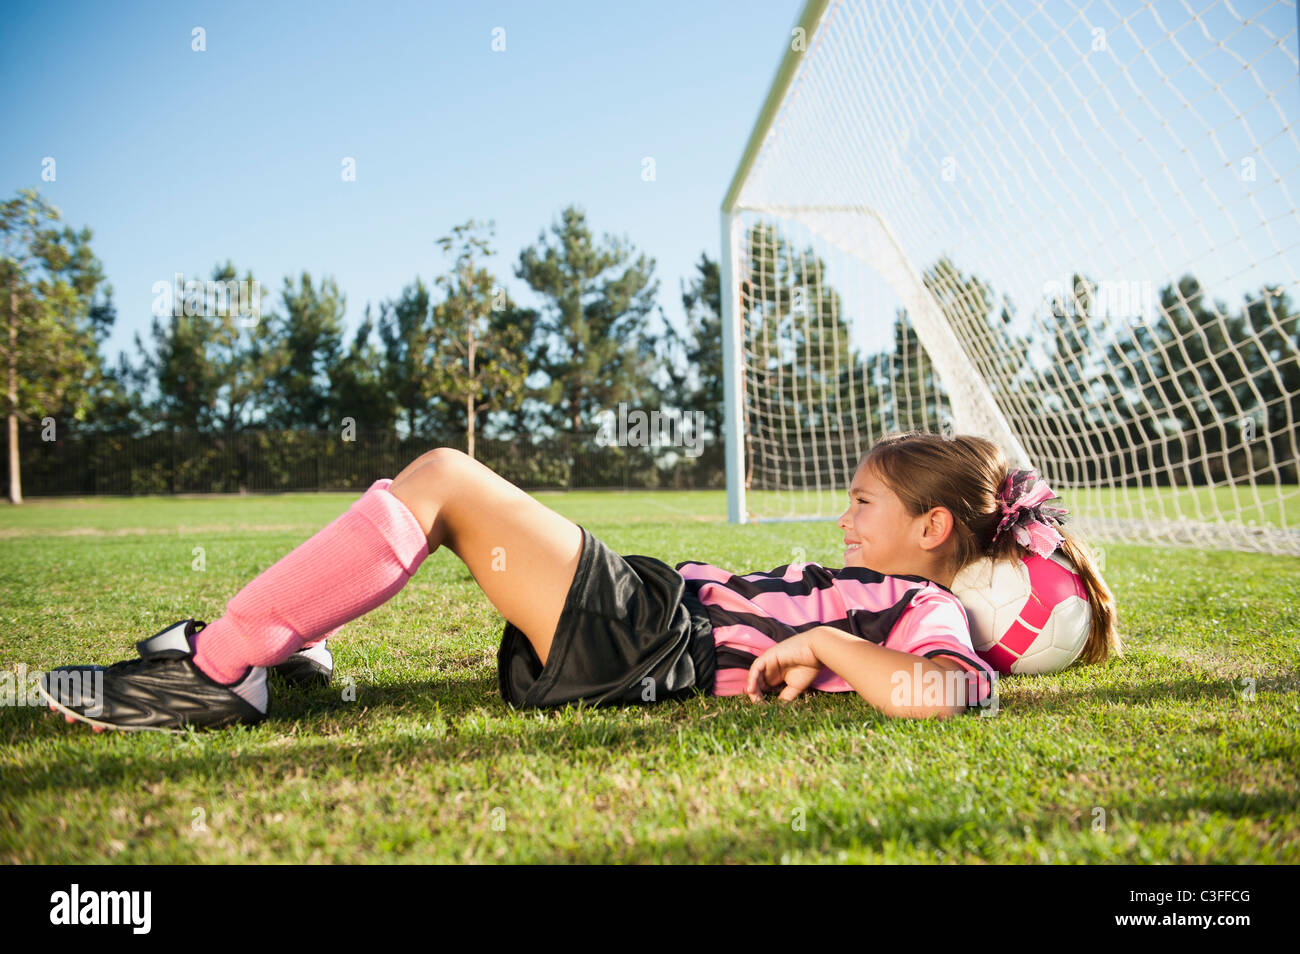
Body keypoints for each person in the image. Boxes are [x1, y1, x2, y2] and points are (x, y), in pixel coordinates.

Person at [38, 431, 1119, 733]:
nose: (845, 519)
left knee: (445, 482)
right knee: (450, 496)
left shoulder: (924, 610)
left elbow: (955, 690)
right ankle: (277, 649)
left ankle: (223, 669)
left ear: (932, 529)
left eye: (865, 506)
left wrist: (831, 648)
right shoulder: (885, 583)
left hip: (649, 643)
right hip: (643, 616)